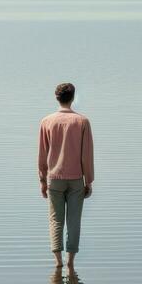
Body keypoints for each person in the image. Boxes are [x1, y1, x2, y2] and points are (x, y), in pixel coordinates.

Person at [37, 82, 95, 271]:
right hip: (77, 178)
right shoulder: (82, 121)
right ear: (73, 97)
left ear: (57, 98)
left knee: (55, 220)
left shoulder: (46, 121)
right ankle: (70, 262)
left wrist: (42, 180)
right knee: (74, 220)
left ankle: (58, 261)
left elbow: (42, 153)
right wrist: (89, 180)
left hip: (54, 177)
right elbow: (87, 154)